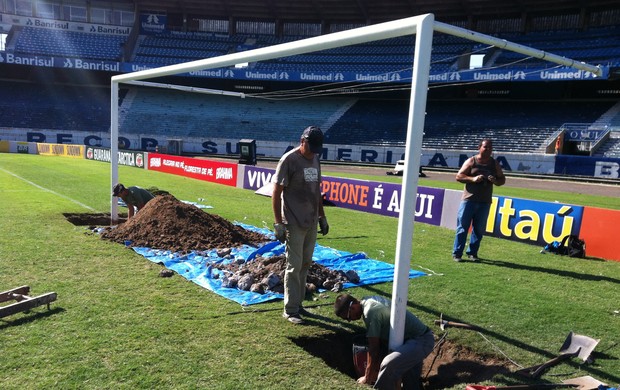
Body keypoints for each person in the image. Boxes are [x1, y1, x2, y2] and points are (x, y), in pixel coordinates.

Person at [272, 126, 329, 325]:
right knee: (293, 266)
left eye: (316, 149)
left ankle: (299, 303)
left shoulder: (315, 159)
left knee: (305, 264)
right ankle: (290, 309)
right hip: (294, 221)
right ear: (302, 140)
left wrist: (322, 216)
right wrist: (278, 223)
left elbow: (317, 191)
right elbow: (277, 192)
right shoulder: (289, 160)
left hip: (311, 221)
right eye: (310, 147)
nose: (312, 152)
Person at [334, 294, 434, 390]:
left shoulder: (370, 311)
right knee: (411, 384)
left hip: (421, 340)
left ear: (353, 307)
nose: (349, 321)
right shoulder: (367, 300)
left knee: (388, 364)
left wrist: (367, 377)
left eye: (347, 317)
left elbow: (374, 348)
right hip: (408, 343)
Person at [452, 139, 505, 262]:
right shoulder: (472, 161)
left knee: (479, 229)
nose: (488, 150)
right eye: (486, 147)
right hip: (468, 200)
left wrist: (495, 181)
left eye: (490, 147)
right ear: (479, 147)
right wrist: (473, 179)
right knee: (462, 228)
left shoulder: (494, 163)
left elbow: (502, 179)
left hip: (484, 202)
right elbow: (459, 176)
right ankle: (457, 254)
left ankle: (472, 253)